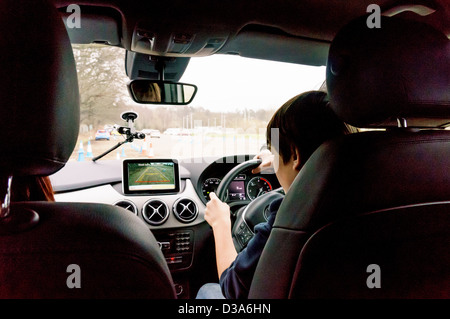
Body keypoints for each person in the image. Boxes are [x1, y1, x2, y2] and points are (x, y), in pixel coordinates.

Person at [196, 90, 354, 299]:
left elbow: (232, 288)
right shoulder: (375, 190)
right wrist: (280, 158)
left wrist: (220, 224)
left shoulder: (290, 214)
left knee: (208, 290)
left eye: (275, 150)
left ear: (295, 154)